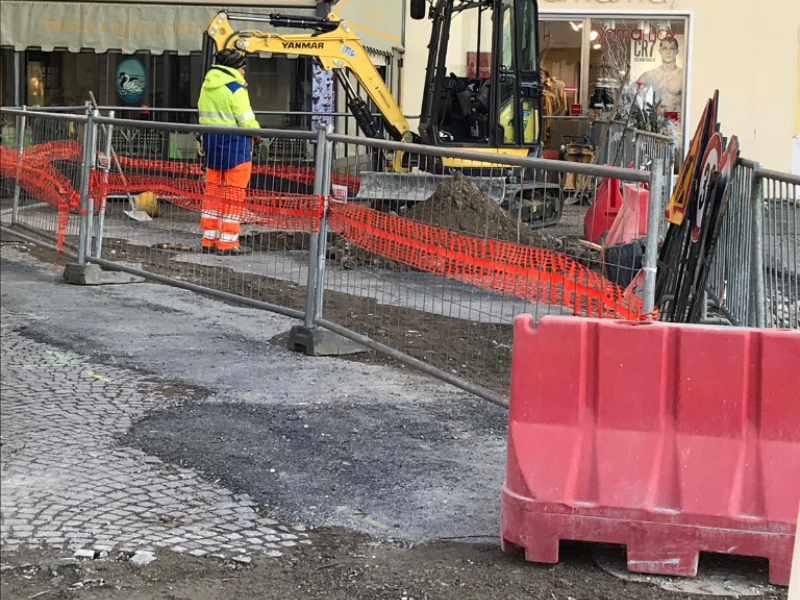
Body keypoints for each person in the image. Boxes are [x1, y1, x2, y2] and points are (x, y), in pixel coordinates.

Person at [198, 49, 260, 255]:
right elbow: (247, 121)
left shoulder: (207, 87)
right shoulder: (236, 89)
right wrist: (258, 133)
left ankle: (209, 240)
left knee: (213, 193)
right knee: (234, 194)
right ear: (236, 68)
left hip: (212, 143)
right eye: (243, 68)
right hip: (236, 145)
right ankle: (228, 243)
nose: (244, 72)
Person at [637, 38, 684, 116]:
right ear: (660, 51)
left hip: (677, 120)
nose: (668, 52)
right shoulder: (650, 75)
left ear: (677, 51)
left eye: (671, 48)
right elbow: (632, 95)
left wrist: (685, 115)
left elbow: (693, 98)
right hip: (656, 121)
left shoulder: (683, 75)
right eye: (665, 48)